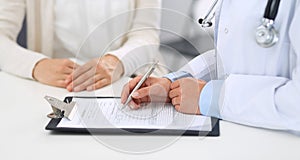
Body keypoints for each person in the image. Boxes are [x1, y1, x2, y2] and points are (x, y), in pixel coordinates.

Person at [121, 0, 300, 132]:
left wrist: (212, 97)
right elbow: (231, 56)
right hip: (242, 133)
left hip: (283, 144)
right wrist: (174, 83)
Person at [0, 0, 161, 92]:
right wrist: (36, 65)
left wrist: (115, 62)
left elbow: (147, 35)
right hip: (56, 86)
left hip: (128, 77)